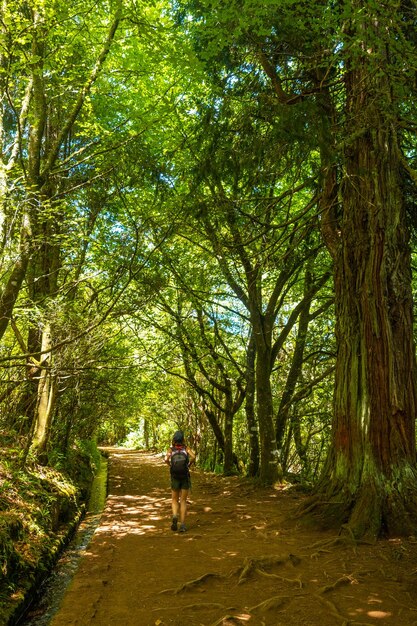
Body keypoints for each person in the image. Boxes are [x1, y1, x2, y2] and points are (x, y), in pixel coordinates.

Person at [165, 430, 195, 533]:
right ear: (183, 439)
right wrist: (189, 465)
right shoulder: (186, 448)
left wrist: (170, 465)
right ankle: (182, 525)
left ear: (173, 439)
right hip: (185, 476)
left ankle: (174, 516)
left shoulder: (170, 449)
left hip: (175, 476)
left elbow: (166, 459)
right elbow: (194, 456)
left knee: (174, 499)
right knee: (183, 501)